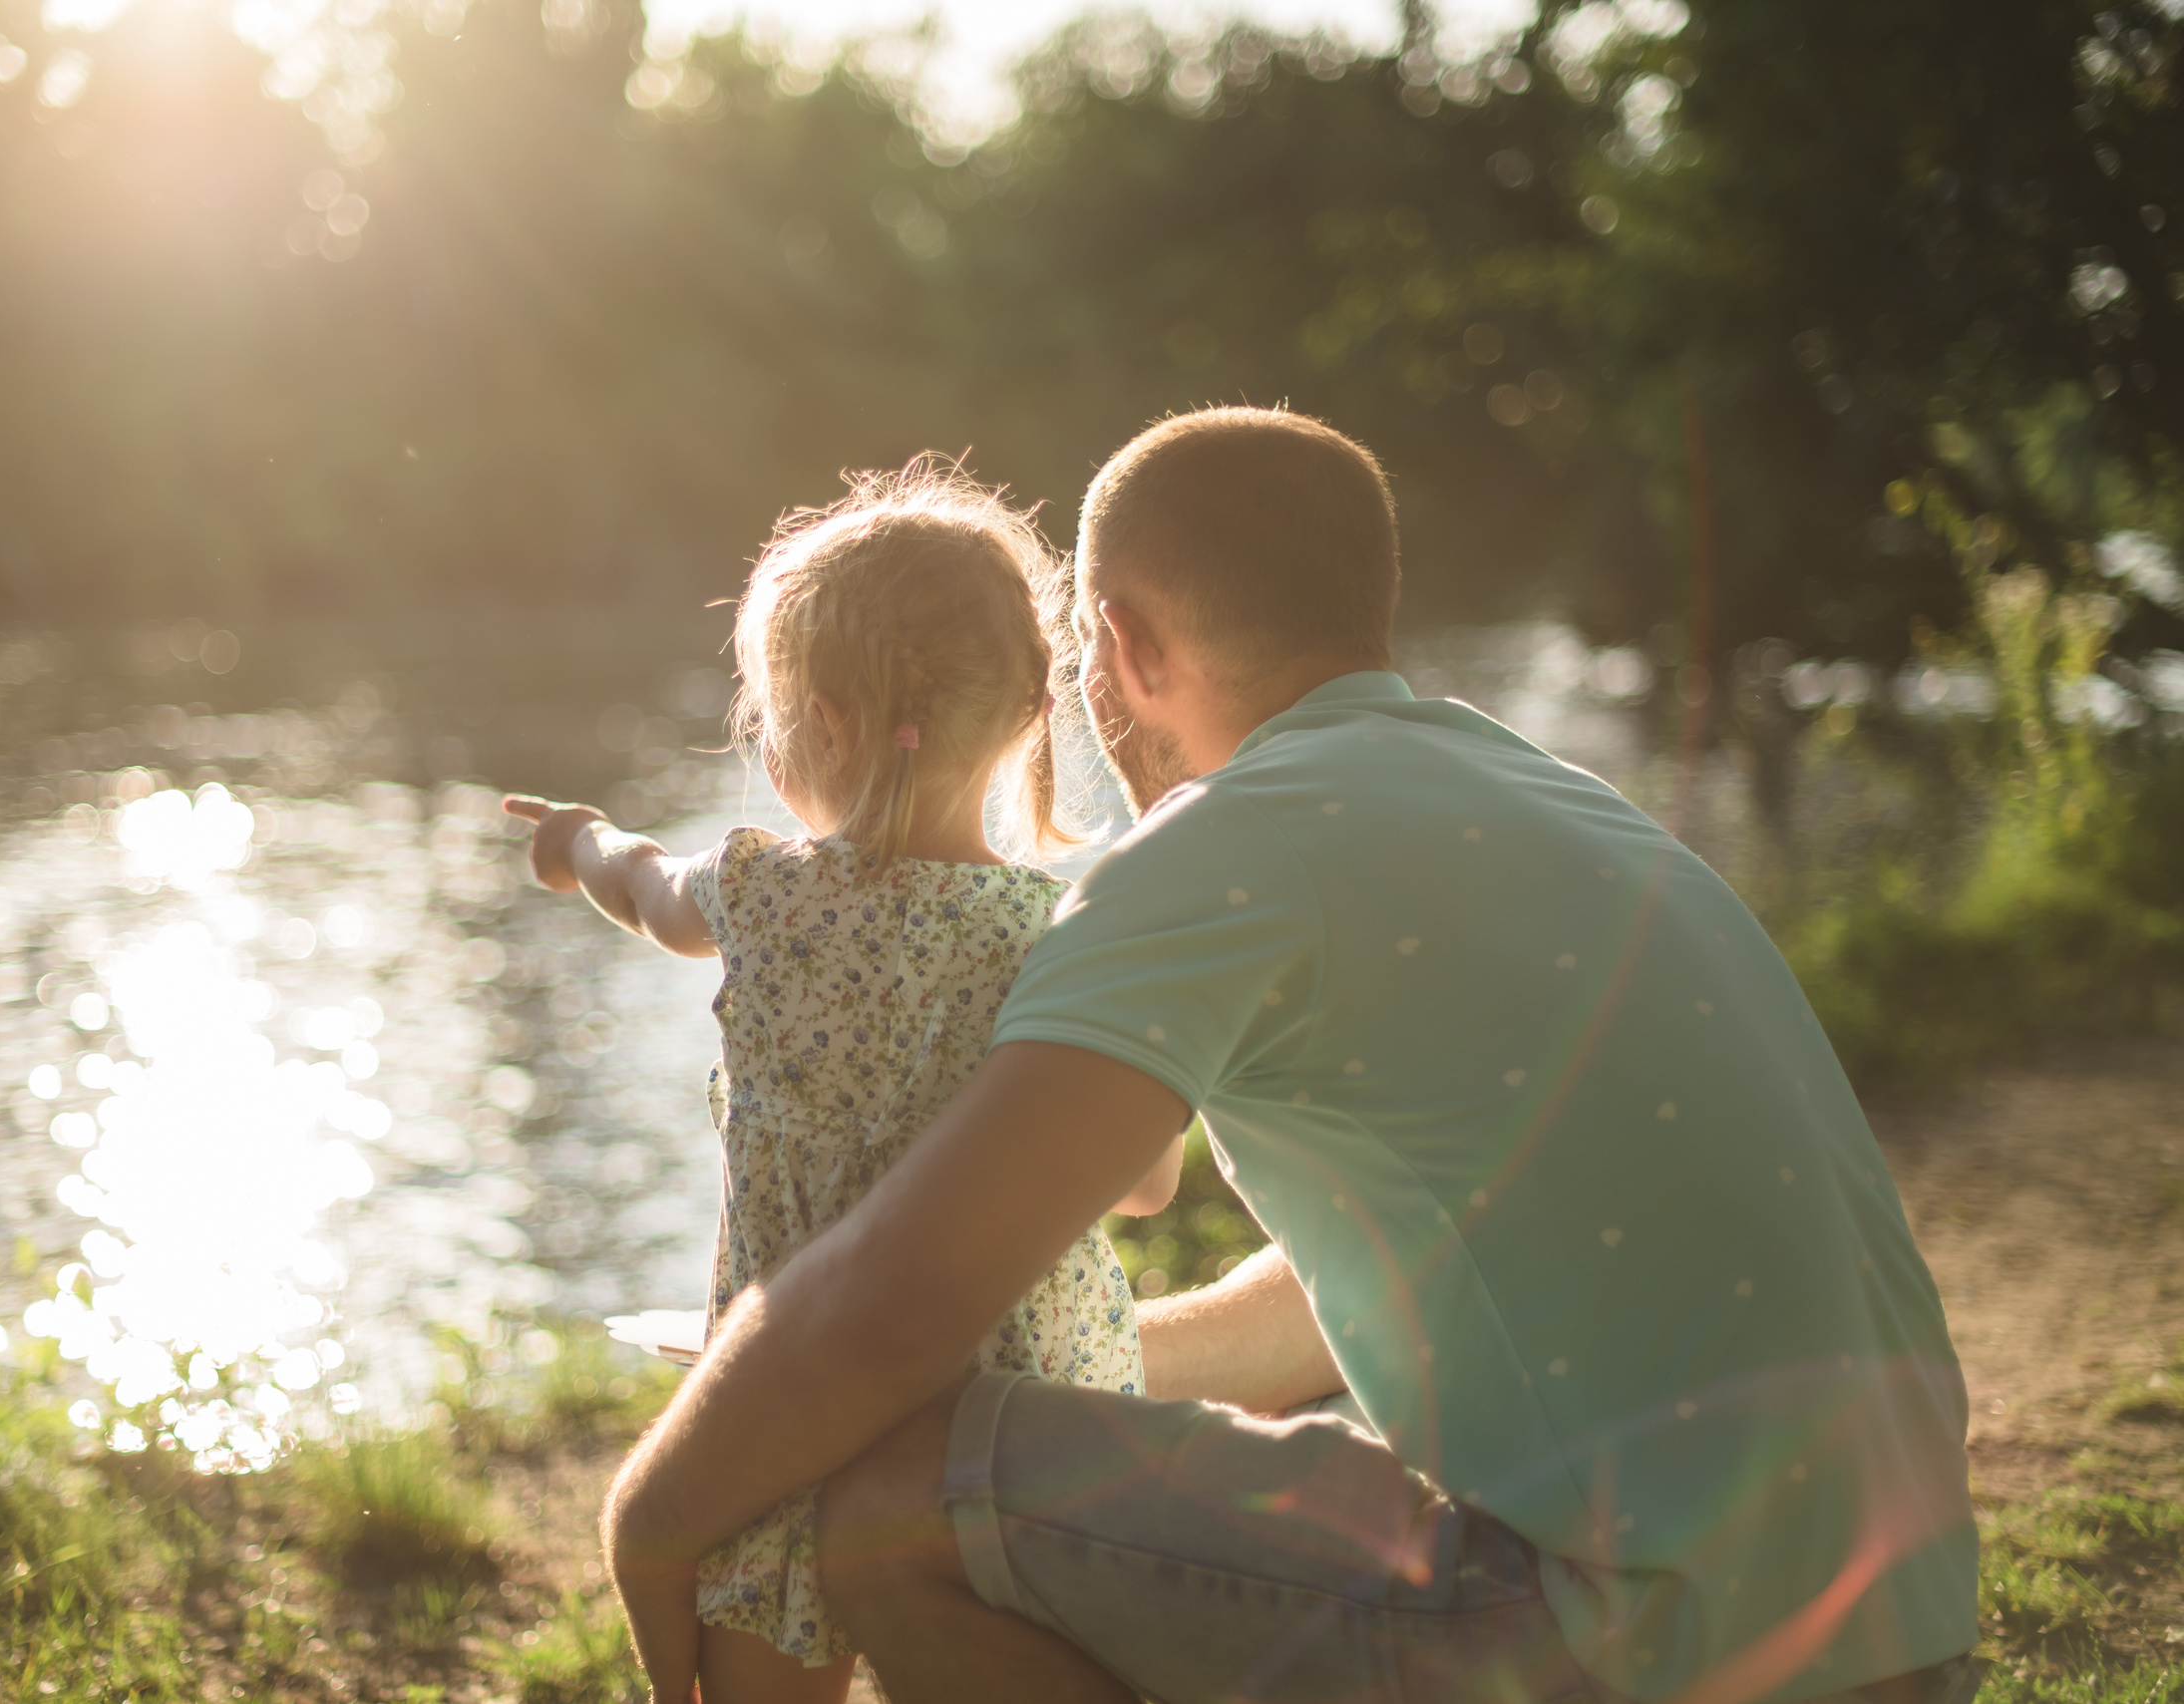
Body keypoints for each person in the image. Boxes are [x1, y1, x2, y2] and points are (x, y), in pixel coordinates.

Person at [595, 406, 1981, 1704]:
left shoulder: (1212, 854)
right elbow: (1377, 1287)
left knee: (896, 1502)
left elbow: (896, 1299)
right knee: (972, 1445)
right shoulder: (1558, 805)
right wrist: (1051, 1376)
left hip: (1652, 1649)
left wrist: (652, 1511)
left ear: (1124, 647)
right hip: (1899, 1633)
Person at [504, 461, 1173, 1704]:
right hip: (1008, 1403)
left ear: (824, 722)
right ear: (1032, 713)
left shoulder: (756, 890)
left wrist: (572, 839)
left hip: (793, 1386)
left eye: (765, 715)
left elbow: (643, 886)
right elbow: (1140, 1185)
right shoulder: (1061, 932)